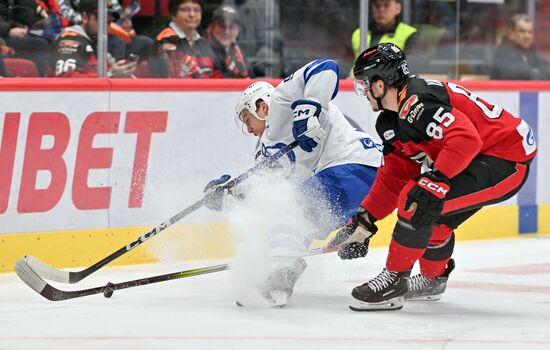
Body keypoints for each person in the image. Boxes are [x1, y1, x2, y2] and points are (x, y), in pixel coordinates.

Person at [341, 43, 536, 311]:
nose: (362, 92)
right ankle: (433, 281)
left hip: (506, 159)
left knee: (418, 199)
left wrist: (438, 180)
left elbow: (465, 138)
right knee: (432, 214)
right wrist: (365, 220)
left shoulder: (416, 100)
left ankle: (394, 282)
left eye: (363, 85)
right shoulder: (390, 120)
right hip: (483, 154)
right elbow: (394, 177)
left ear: (380, 82)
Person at [205, 59, 382, 307]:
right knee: (290, 218)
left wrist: (309, 108)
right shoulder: (266, 149)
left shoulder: (282, 101)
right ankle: (432, 274)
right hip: (367, 177)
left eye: (247, 118)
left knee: (291, 212)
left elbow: (326, 67)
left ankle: (281, 275)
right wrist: (227, 193)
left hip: (350, 167)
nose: (249, 127)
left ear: (261, 105)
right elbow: (268, 191)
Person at [51, 0, 136, 77]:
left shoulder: (95, 42)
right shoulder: (70, 40)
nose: (106, 26)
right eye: (101, 19)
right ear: (84, 18)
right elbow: (65, 78)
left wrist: (119, 70)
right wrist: (110, 74)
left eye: (109, 22)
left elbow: (107, 73)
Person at [152, 0, 221, 78]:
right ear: (173, 15)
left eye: (197, 10)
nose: (192, 15)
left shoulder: (204, 43)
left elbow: (217, 76)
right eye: (186, 10)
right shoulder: (165, 41)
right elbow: (169, 80)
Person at [351, 0, 420, 59]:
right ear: (373, 9)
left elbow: (409, 65)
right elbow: (347, 62)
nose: (381, 10)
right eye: (377, 6)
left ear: (397, 8)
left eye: (386, 5)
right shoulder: (358, 33)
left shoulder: (409, 33)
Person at [491, 14, 550, 80]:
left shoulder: (531, 52)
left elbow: (547, 67)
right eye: (522, 31)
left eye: (530, 32)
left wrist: (536, 72)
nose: (527, 36)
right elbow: (527, 76)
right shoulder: (504, 53)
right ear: (511, 34)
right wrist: (536, 72)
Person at [206, 4, 248, 78]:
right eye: (222, 26)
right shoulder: (201, 51)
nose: (226, 32)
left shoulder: (239, 52)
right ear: (211, 28)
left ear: (238, 30)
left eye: (231, 27)